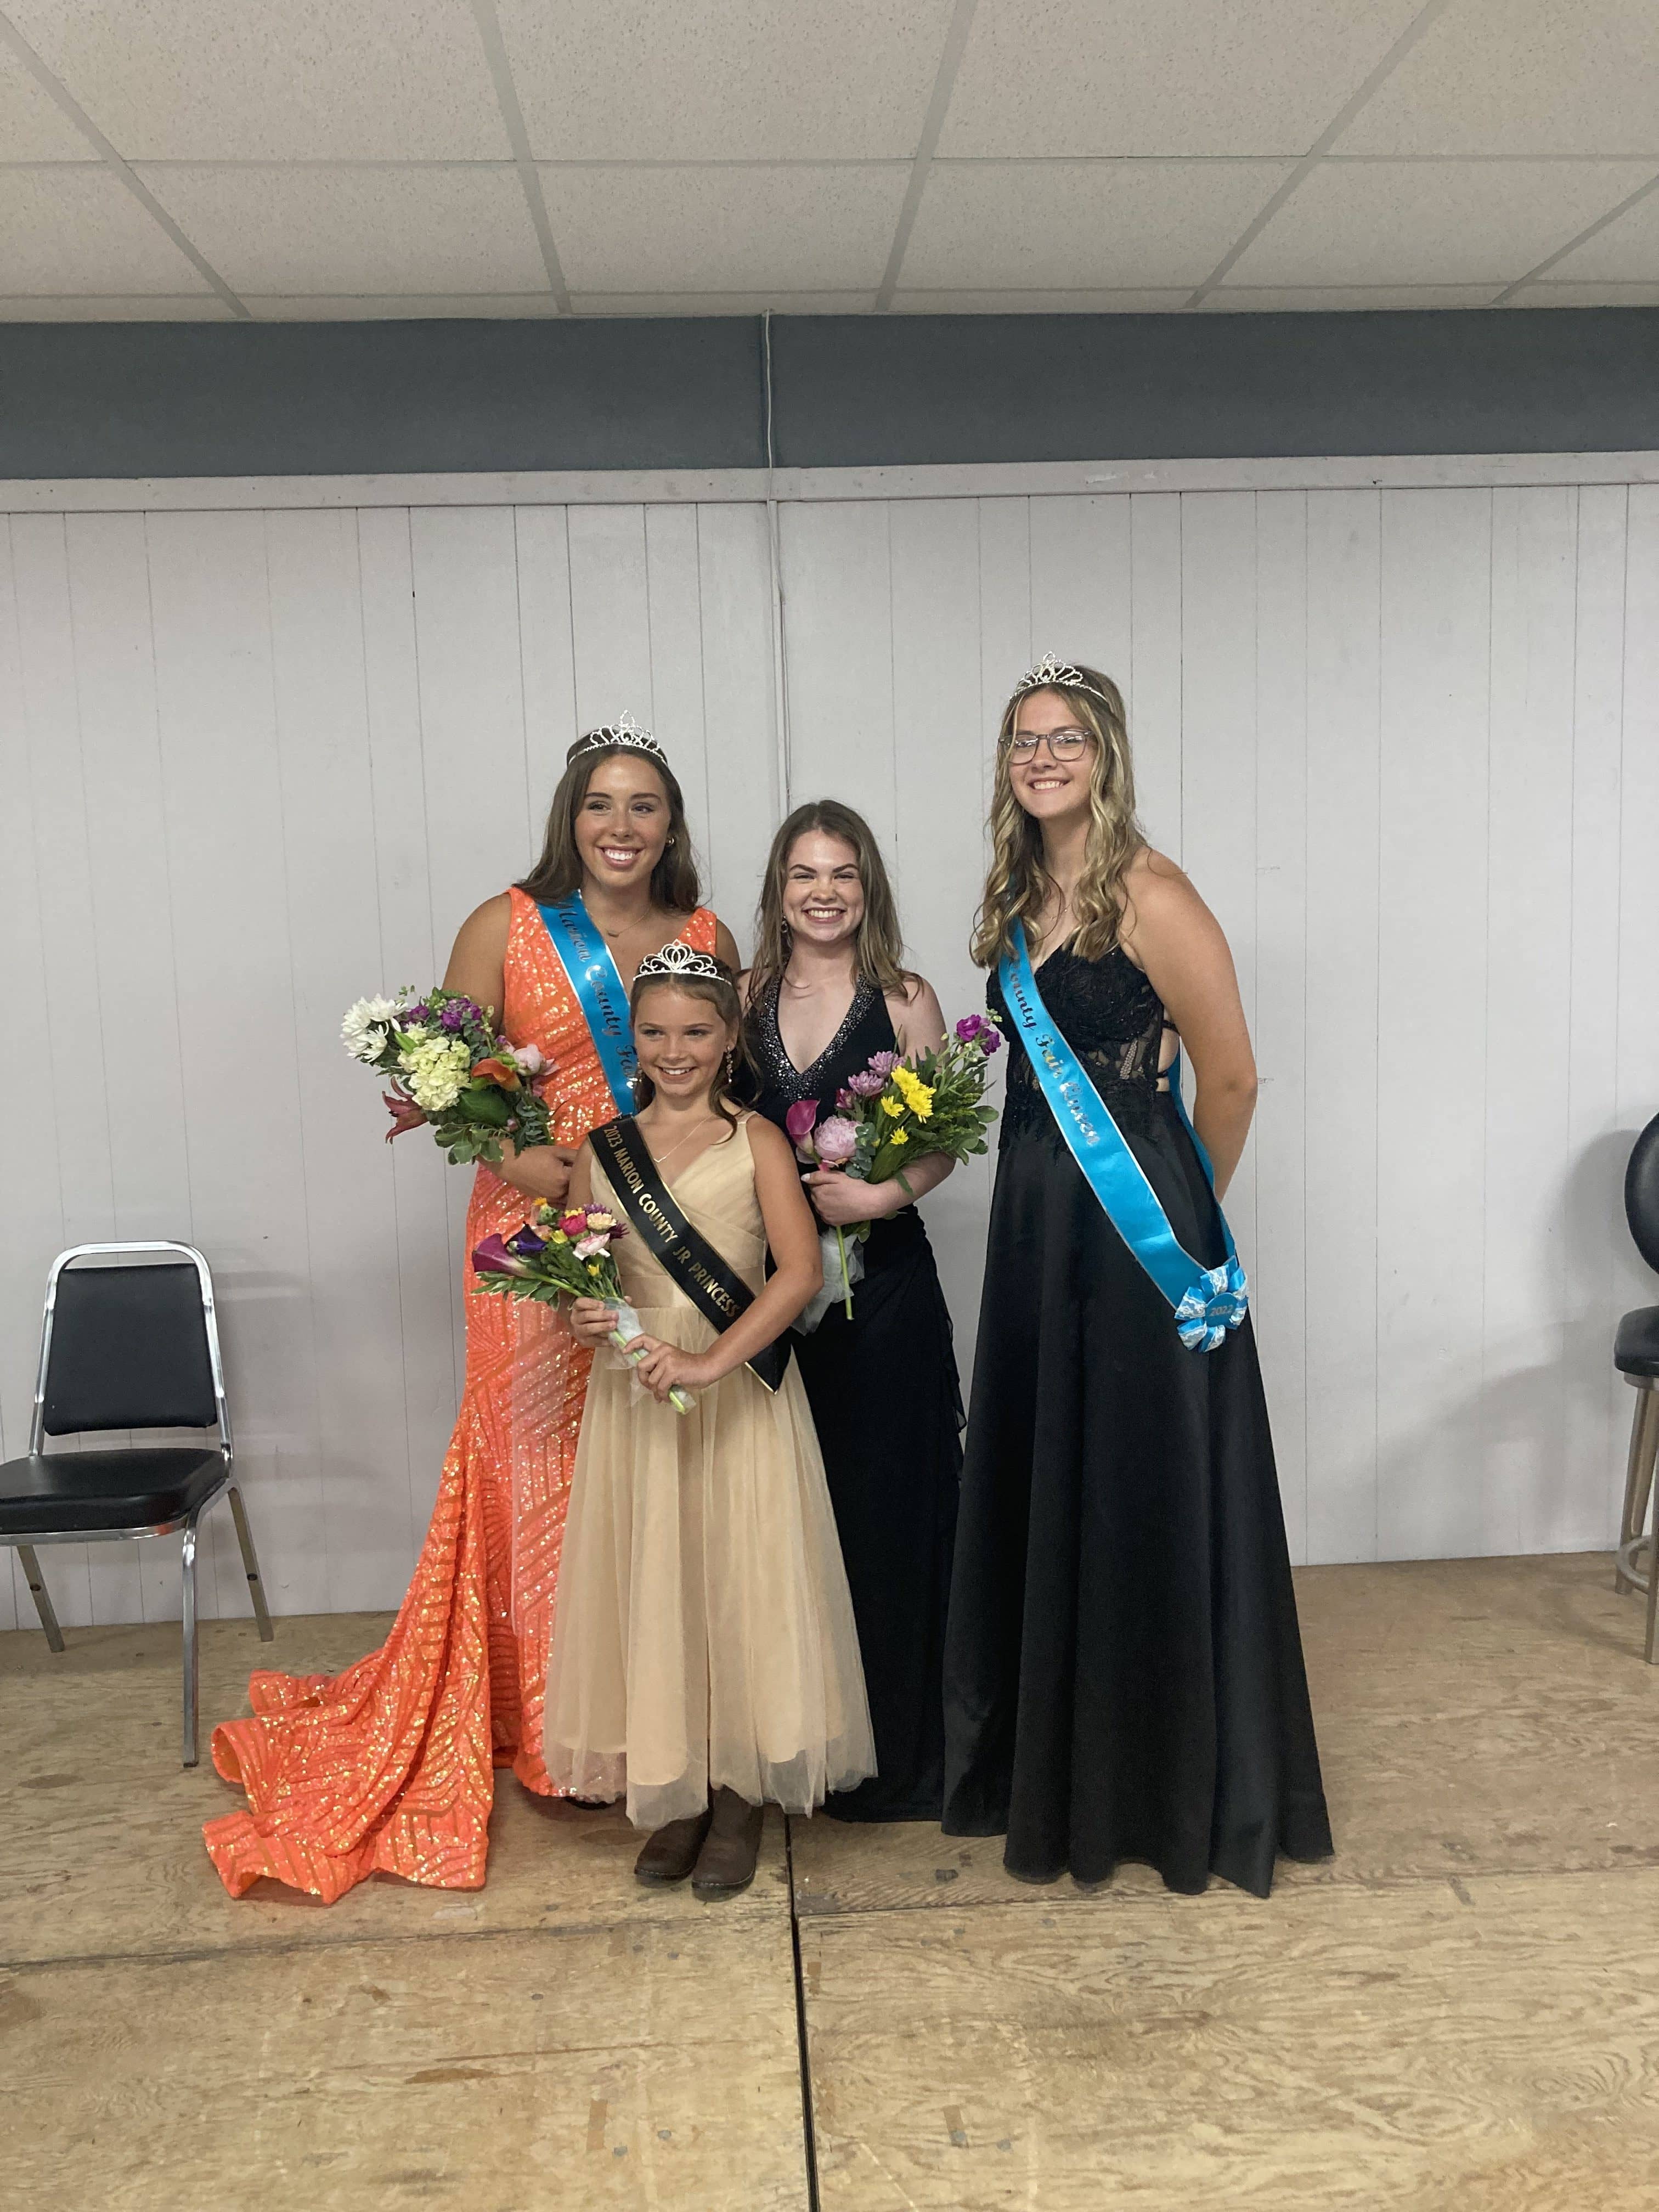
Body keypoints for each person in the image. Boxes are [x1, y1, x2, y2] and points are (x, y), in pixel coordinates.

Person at [204, 718, 738, 1901]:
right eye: (601, 803)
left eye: (644, 805)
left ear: (671, 823)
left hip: (658, 1232)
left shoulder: (706, 936)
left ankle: (651, 1716)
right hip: (532, 1234)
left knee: (647, 1460)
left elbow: (717, 1088)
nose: (621, 826)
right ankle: (556, 1733)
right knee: (536, 1469)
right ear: (570, 816)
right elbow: (453, 1083)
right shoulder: (503, 926)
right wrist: (542, 1171)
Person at [942, 656, 1331, 1897]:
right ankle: (1056, 1774)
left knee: (1135, 1487)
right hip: (1029, 1228)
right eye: (1022, 740)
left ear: (1105, 754)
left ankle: (1156, 1791)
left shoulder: (1155, 896)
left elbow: (1231, 1081)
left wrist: (1175, 1221)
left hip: (1130, 1241)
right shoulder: (1015, 895)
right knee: (1055, 1475)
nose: (1041, 757)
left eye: (1064, 738)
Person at [544, 947, 874, 1897]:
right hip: (640, 1394)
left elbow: (801, 1273)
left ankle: (741, 1794)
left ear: (731, 1040)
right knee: (661, 1583)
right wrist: (584, 1312)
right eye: (655, 1032)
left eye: (697, 1032)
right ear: (633, 1038)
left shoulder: (758, 1141)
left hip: (735, 1392)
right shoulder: (605, 1149)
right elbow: (584, 1275)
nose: (674, 1050)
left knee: (739, 1578)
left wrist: (710, 1361)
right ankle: (680, 1788)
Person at [741, 801, 962, 1821]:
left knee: (887, 1520)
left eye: (842, 875)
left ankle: (899, 1760)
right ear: (778, 889)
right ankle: (797, 1751)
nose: (823, 893)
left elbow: (943, 1139)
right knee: (788, 1526)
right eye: (804, 875)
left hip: (886, 1300)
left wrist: (882, 1195)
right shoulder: (740, 998)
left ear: (867, 887)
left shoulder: (907, 997)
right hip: (774, 1304)